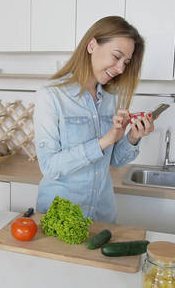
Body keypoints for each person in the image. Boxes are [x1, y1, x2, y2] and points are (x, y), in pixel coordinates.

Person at [34, 16, 154, 223]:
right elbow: (50, 166)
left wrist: (132, 137)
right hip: (61, 216)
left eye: (126, 62)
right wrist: (106, 139)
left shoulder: (111, 98)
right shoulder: (52, 96)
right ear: (91, 45)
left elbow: (114, 160)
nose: (120, 69)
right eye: (116, 56)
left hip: (102, 214)